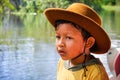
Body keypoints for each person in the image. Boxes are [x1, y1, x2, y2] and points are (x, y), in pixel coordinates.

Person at [44, 3, 111, 80]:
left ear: (88, 43)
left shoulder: (96, 73)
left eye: (68, 38)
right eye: (58, 37)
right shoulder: (62, 62)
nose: (60, 44)